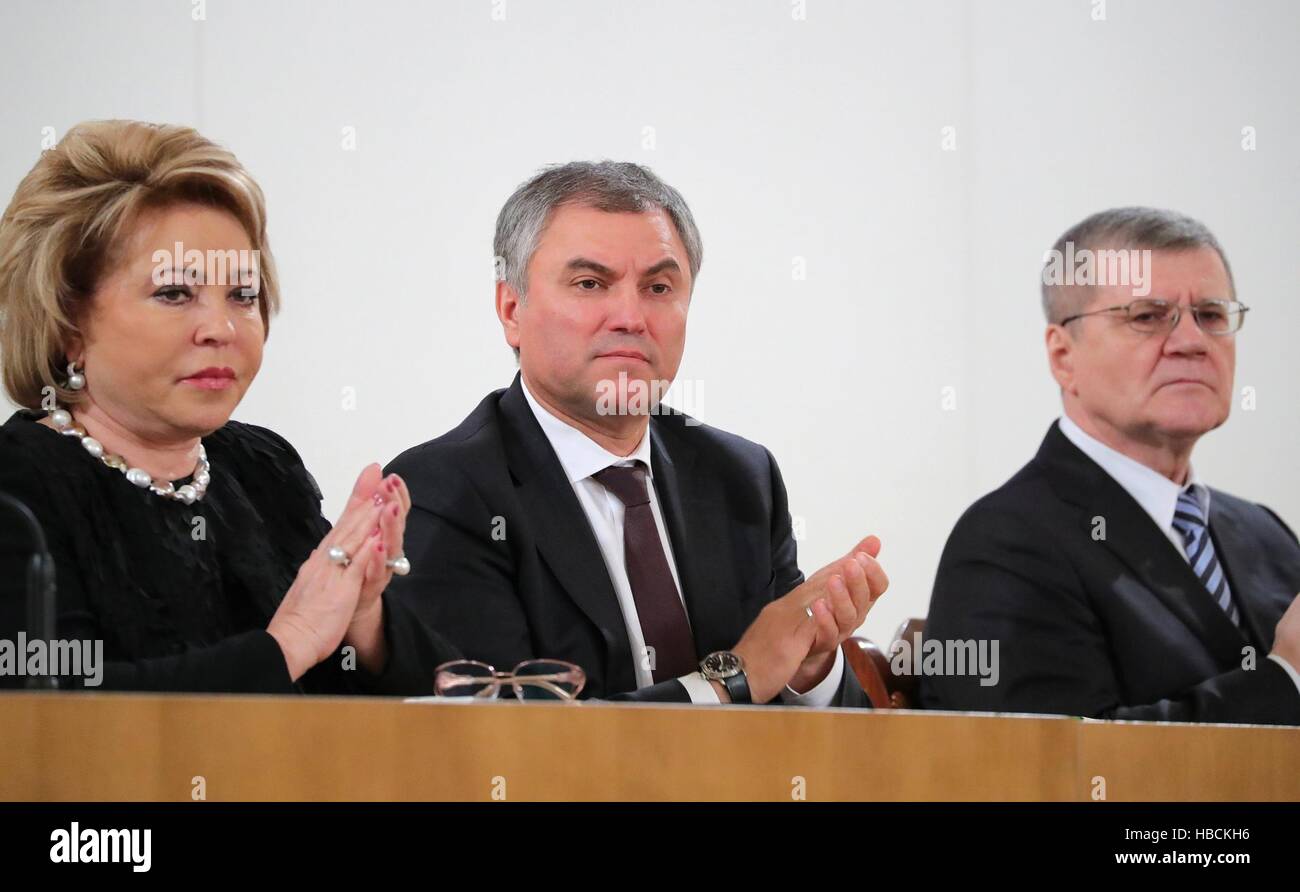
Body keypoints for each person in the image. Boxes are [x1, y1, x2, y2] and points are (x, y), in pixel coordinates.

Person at [385, 161, 888, 704]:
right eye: (589, 284)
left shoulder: (741, 478)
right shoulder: (442, 491)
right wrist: (730, 682)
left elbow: (834, 746)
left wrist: (808, 666)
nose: (630, 316)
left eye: (658, 286)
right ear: (511, 309)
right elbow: (505, 739)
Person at [0, 120, 457, 693]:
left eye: (242, 296)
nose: (221, 328)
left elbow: (411, 714)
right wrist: (288, 641)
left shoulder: (261, 468)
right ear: (68, 324)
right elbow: (50, 719)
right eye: (174, 294)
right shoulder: (17, 490)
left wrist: (362, 619)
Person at [922, 207, 1300, 724]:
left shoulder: (1267, 536)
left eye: (1211, 315)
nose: (1191, 341)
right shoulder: (1005, 545)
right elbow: (1047, 775)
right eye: (1147, 316)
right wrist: (1287, 679)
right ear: (1062, 356)